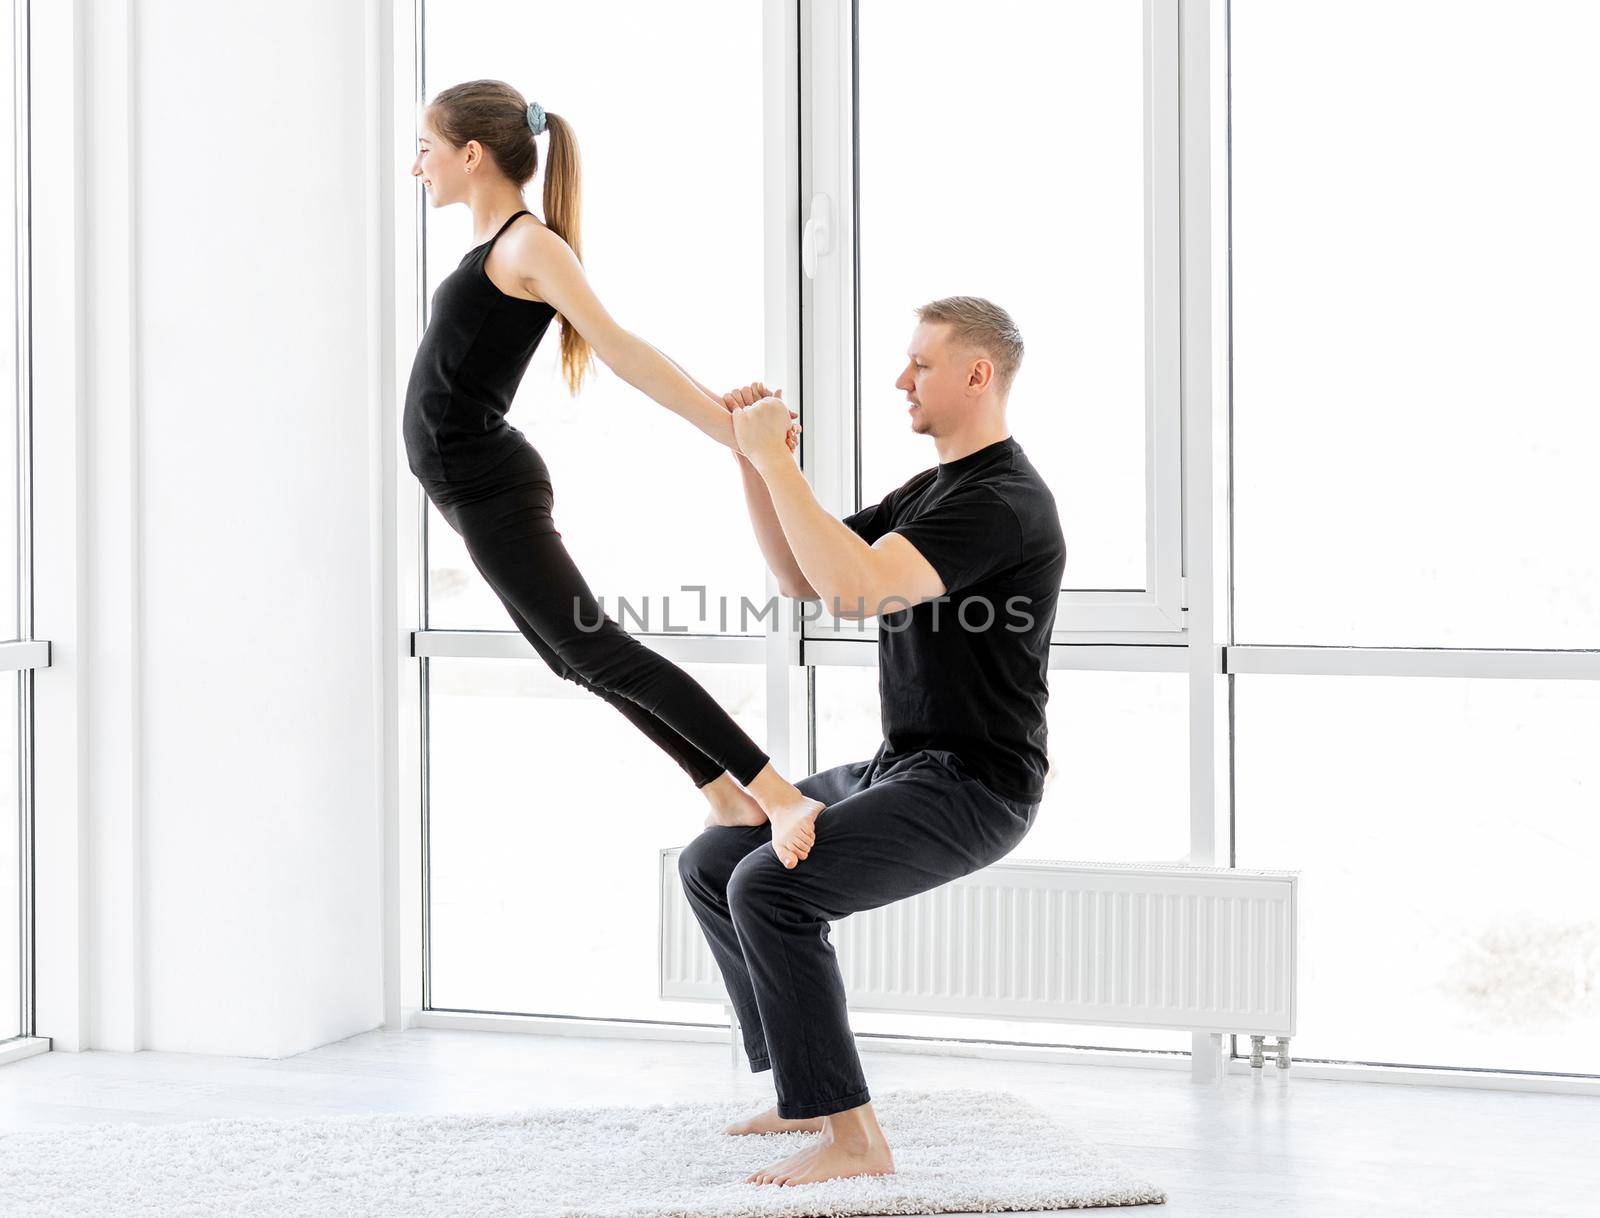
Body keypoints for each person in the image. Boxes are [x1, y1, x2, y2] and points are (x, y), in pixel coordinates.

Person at [678, 296, 1067, 1187]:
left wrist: (778, 462)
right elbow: (803, 579)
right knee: (714, 859)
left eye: (920, 364)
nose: (902, 379)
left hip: (977, 786)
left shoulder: (1003, 500)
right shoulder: (934, 491)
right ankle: (805, 1094)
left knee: (771, 888)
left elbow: (861, 592)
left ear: (979, 374)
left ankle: (858, 1142)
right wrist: (755, 463)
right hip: (907, 765)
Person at [403, 79, 822, 864]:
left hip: (488, 483)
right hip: (468, 488)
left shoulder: (529, 245)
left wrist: (729, 431)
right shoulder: (503, 247)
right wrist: (726, 421)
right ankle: (724, 794)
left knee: (596, 647)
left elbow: (622, 349)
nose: (416, 166)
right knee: (570, 656)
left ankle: (774, 793)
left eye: (424, 148)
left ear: (471, 153)